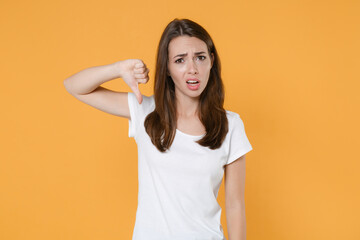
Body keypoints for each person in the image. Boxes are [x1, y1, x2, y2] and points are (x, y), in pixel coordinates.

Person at [64, 18, 253, 240]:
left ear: (211, 61)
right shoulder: (145, 110)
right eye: (180, 60)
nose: (193, 69)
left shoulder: (230, 125)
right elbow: (74, 87)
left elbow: (235, 205)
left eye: (200, 58)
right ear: (168, 69)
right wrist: (118, 68)